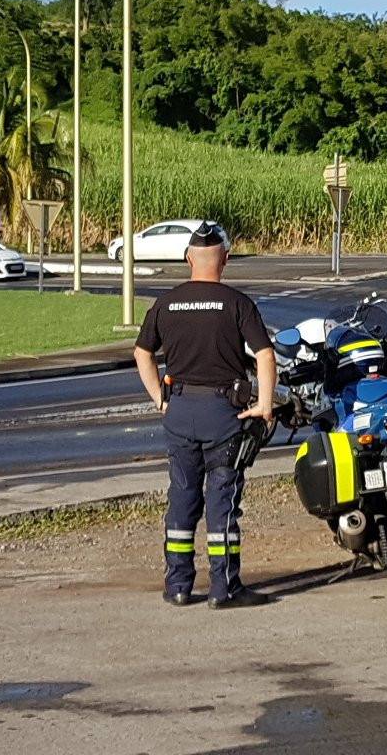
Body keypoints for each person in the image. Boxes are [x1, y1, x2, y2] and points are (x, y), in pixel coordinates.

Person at [133, 221, 276, 609]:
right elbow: (265, 354)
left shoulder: (165, 304)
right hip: (223, 415)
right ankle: (223, 588)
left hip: (179, 412)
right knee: (221, 501)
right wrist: (264, 404)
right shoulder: (237, 304)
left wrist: (159, 400)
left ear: (187, 260)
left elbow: (141, 353)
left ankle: (178, 586)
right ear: (225, 260)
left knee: (181, 498)